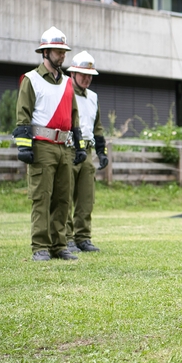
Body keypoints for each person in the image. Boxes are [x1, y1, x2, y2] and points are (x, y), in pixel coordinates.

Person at [13, 26, 87, 261]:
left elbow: (74, 117)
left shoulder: (67, 82)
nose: (62, 55)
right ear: (45, 52)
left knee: (63, 198)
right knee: (41, 197)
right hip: (42, 146)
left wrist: (80, 145)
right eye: (57, 51)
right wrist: (24, 146)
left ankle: (59, 245)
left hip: (65, 147)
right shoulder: (31, 79)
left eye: (63, 51)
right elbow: (22, 114)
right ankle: (40, 246)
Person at [65, 51, 108, 253]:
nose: (87, 78)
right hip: (68, 149)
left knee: (86, 198)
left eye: (90, 75)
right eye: (83, 74)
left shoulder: (93, 97)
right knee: (65, 195)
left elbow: (97, 126)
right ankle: (66, 238)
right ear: (72, 73)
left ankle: (83, 237)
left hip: (87, 151)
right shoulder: (64, 91)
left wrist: (102, 151)